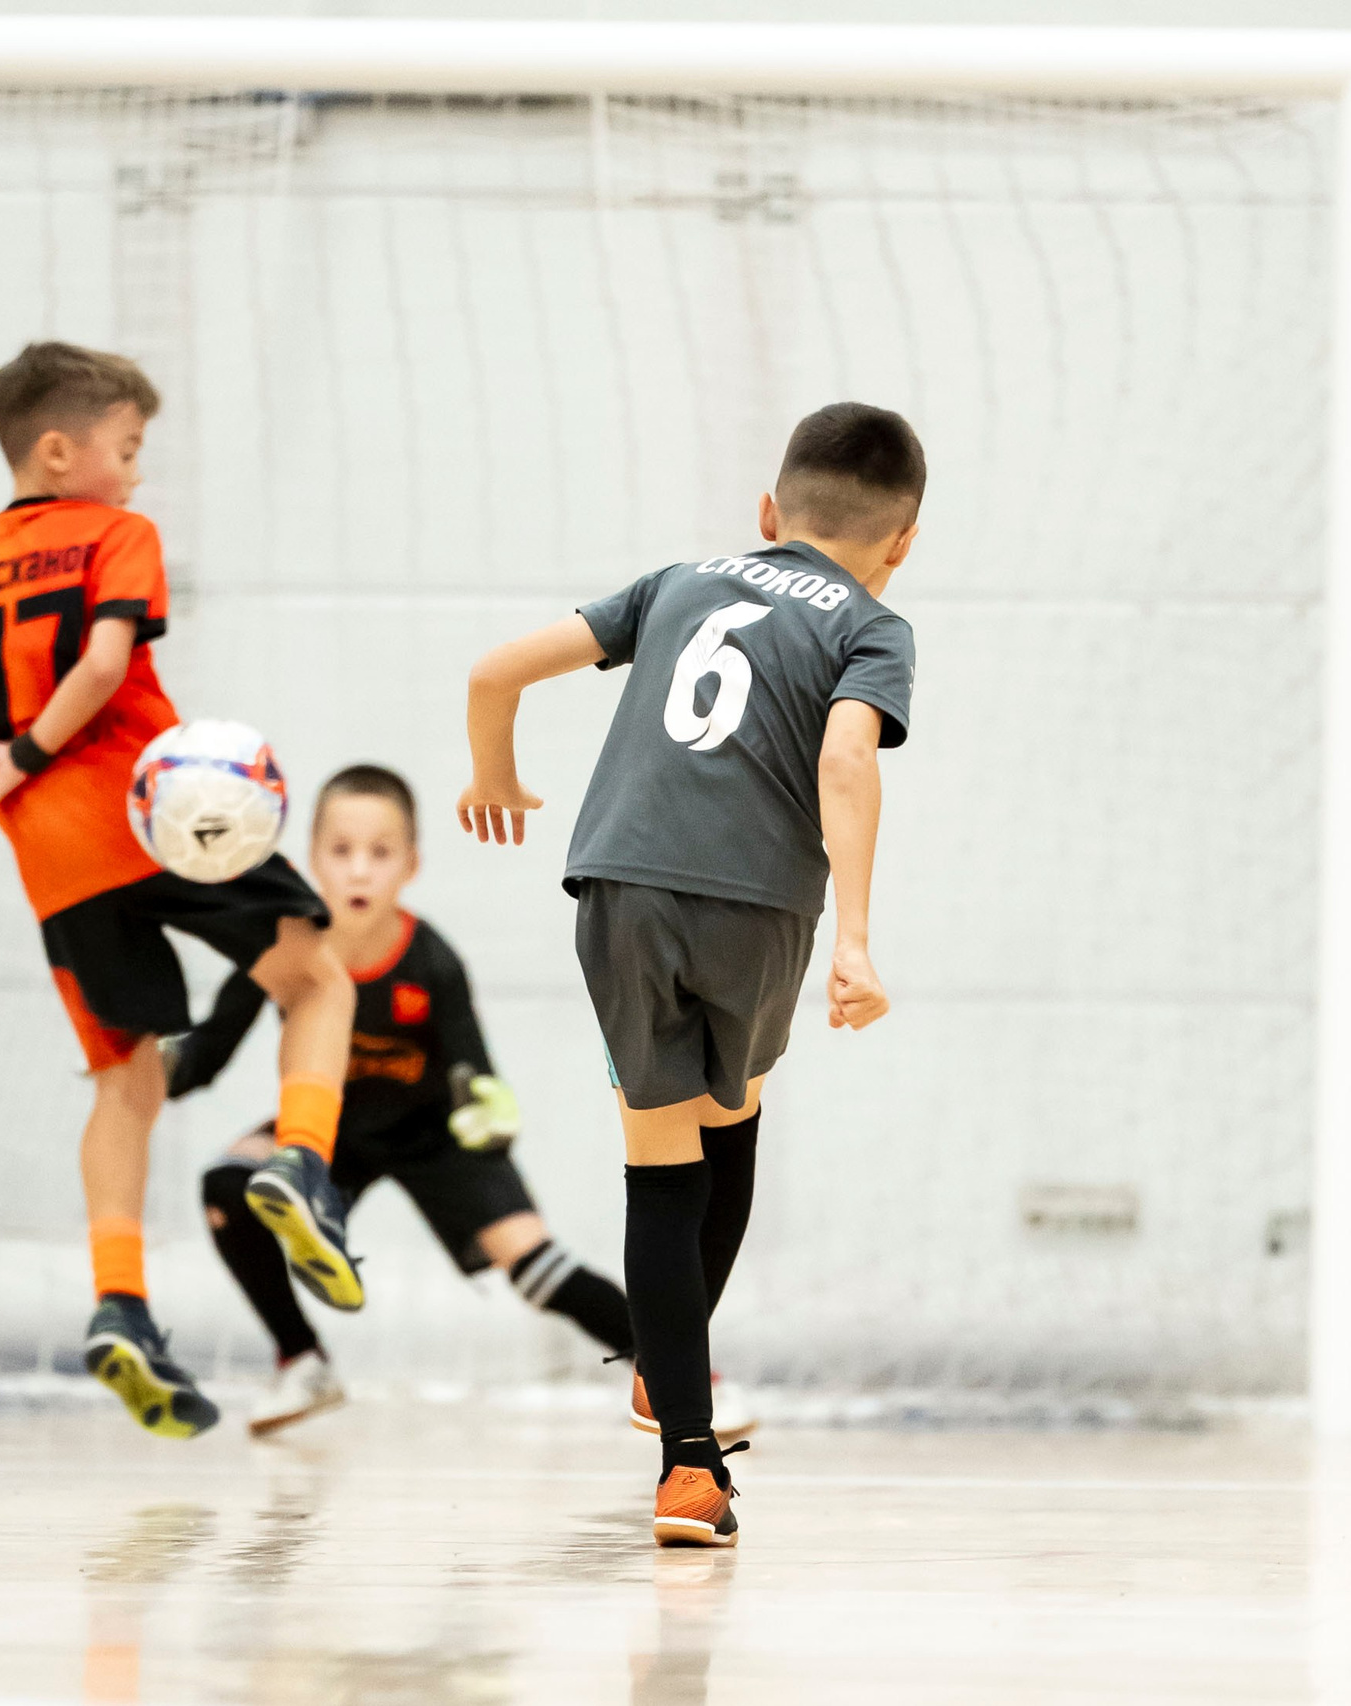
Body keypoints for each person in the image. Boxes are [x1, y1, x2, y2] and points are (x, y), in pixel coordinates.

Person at [0, 341, 362, 1440]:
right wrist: (35, 752)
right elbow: (100, 667)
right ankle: (302, 1164)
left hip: (55, 866)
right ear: (60, 450)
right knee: (317, 980)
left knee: (122, 1084)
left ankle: (122, 1304)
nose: (137, 476)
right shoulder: (116, 535)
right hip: (164, 816)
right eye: (128, 449)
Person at [456, 401, 921, 1547]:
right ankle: (673, 1382)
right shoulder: (871, 622)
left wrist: (495, 777)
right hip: (757, 906)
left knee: (657, 1158)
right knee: (734, 1114)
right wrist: (855, 938)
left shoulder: (677, 580)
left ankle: (684, 1460)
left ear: (765, 514)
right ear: (901, 542)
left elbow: (495, 668)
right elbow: (846, 756)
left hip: (621, 885)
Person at [176, 764, 638, 1434]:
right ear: (312, 859)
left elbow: (474, 1072)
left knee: (538, 1267)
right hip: (327, 1129)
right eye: (341, 851)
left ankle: (683, 1379)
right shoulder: (283, 947)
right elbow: (208, 1051)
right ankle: (302, 1360)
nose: (359, 870)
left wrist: (491, 1115)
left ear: (411, 865)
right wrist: (141, 1067)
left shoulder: (433, 962)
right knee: (227, 1187)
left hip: (431, 1133)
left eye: (380, 852)